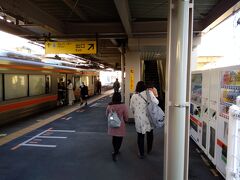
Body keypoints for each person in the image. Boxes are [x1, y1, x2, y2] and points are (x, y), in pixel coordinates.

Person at [130, 81, 159, 159]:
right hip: (149, 117)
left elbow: (131, 108)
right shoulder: (149, 93)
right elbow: (156, 102)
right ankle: (149, 150)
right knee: (150, 134)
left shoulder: (134, 96)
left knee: (140, 136)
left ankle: (141, 153)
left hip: (139, 119)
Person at [106, 92, 128, 161]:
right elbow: (126, 116)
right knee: (119, 138)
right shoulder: (123, 106)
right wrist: (126, 120)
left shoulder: (110, 106)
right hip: (120, 125)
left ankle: (115, 150)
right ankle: (116, 151)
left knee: (114, 138)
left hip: (112, 125)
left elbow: (107, 114)